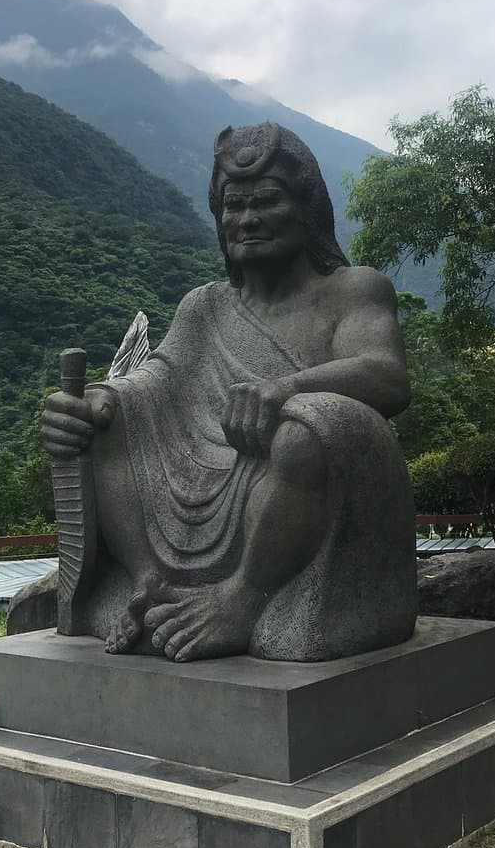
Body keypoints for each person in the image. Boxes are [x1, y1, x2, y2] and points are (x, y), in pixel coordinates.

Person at [41, 122, 417, 662]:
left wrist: (288, 389)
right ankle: (150, 585)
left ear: (307, 208)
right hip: (209, 467)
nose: (248, 219)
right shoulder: (205, 306)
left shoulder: (353, 290)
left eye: (267, 201)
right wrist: (99, 400)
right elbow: (159, 379)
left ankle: (242, 598)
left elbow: (386, 375)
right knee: (110, 417)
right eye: (233, 205)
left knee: (311, 423)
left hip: (304, 471)